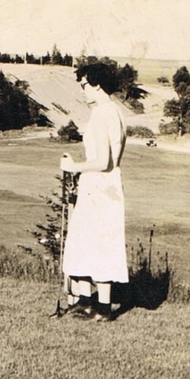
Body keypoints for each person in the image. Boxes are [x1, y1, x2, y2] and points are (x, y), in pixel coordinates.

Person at [58, 62, 130, 322]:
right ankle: (94, 305)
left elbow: (102, 161)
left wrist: (73, 167)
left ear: (97, 84)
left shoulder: (101, 113)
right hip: (110, 185)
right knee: (98, 243)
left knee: (93, 242)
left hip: (99, 184)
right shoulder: (117, 112)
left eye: (85, 85)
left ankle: (99, 308)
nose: (83, 91)